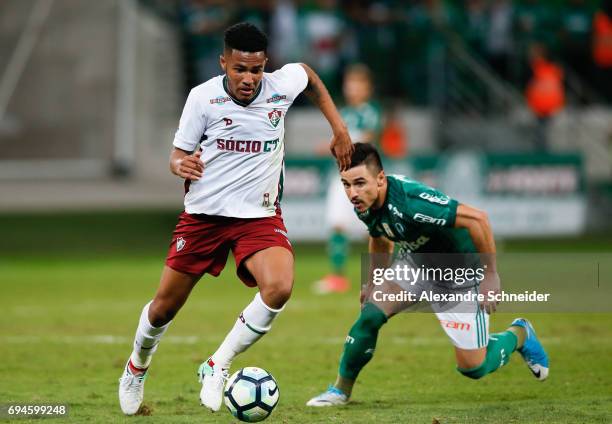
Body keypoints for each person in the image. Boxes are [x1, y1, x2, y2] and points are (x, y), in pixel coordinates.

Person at [118, 22, 353, 415]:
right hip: (203, 218)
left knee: (279, 286)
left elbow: (309, 76)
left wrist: (339, 128)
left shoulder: (281, 86)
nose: (248, 79)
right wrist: (181, 166)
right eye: (240, 69)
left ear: (266, 65)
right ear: (223, 62)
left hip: (258, 217)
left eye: (257, 69)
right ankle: (136, 367)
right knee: (163, 308)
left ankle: (217, 363)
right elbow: (177, 155)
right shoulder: (202, 99)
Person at [307, 143, 549, 406]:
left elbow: (478, 219)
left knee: (473, 367)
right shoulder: (364, 202)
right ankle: (340, 391)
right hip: (415, 264)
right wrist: (373, 282)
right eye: (346, 184)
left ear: (380, 178)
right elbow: (379, 238)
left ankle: (520, 333)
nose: (352, 193)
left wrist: (491, 275)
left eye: (359, 183)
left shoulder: (413, 203)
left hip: (458, 271)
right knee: (369, 316)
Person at [314, 64, 383, 294]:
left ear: (368, 88)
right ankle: (338, 277)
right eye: (349, 84)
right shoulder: (343, 113)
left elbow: (367, 141)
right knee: (337, 226)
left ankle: (388, 276)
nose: (352, 89)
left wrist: (335, 146)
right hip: (343, 177)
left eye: (357, 84)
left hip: (364, 179)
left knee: (375, 229)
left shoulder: (370, 112)